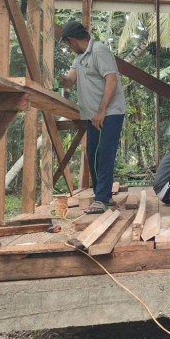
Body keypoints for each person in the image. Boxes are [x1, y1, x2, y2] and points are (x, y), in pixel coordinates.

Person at [58, 21, 126, 214]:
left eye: (67, 44)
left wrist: (101, 110)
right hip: (93, 115)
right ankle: (101, 195)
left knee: (104, 153)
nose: (68, 48)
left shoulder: (99, 51)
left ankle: (102, 198)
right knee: (92, 153)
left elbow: (111, 80)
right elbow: (70, 81)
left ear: (71, 40)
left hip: (109, 112)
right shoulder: (79, 59)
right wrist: (60, 79)